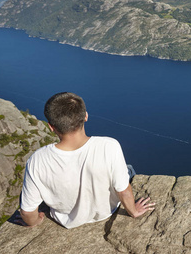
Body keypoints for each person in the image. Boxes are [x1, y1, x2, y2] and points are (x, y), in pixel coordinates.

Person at [19, 92, 155, 228]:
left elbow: (27, 212)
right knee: (127, 169)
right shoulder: (109, 146)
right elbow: (123, 191)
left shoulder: (37, 160)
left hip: (65, 218)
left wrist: (35, 221)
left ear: (51, 126)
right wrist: (134, 212)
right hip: (106, 211)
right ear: (85, 116)